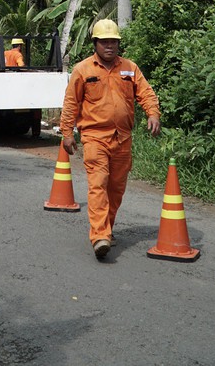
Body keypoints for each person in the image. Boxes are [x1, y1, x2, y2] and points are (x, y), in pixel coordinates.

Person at [59, 19, 160, 260]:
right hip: (94, 137)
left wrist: (153, 113)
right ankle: (100, 236)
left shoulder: (129, 68)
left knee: (116, 188)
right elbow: (71, 102)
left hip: (123, 138)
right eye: (105, 42)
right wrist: (66, 132)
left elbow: (145, 92)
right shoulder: (83, 70)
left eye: (114, 41)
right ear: (95, 43)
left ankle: (107, 228)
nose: (110, 46)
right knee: (98, 184)